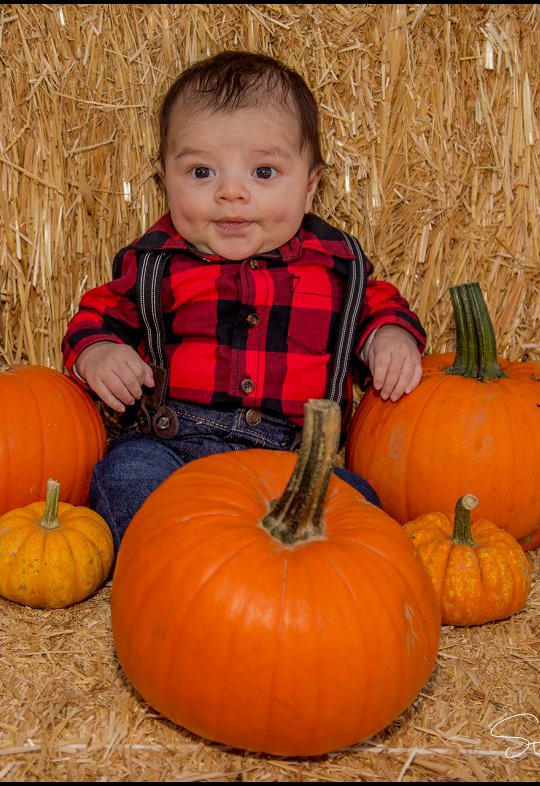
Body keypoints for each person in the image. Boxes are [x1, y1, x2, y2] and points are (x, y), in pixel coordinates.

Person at [62, 51, 427, 549]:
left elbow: (376, 309)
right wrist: (98, 352)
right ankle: (191, 562)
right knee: (125, 477)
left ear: (310, 185)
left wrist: (388, 336)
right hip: (173, 445)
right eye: (200, 173)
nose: (231, 192)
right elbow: (98, 316)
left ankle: (254, 565)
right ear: (163, 178)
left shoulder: (336, 267)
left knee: (359, 507)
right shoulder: (158, 264)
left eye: (263, 173)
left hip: (292, 464)